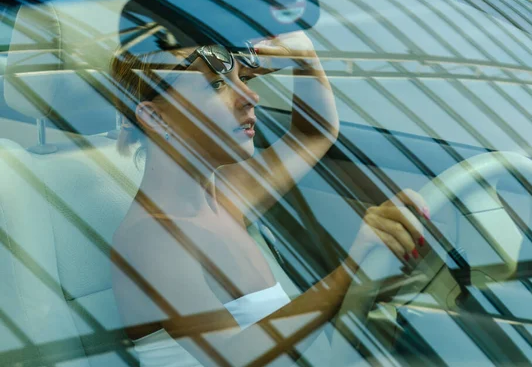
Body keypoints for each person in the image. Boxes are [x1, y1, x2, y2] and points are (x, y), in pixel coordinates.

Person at [110, 31, 430, 366]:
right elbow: (233, 358)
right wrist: (353, 270)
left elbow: (313, 132)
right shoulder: (151, 237)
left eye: (243, 78)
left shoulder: (225, 199)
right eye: (216, 85)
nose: (250, 96)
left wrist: (305, 58)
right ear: (156, 118)